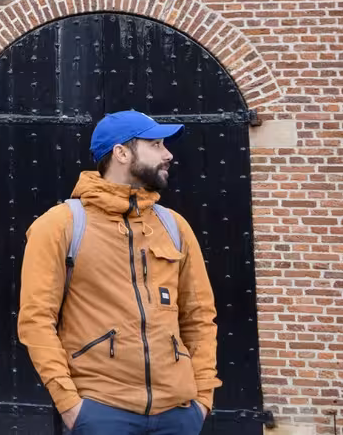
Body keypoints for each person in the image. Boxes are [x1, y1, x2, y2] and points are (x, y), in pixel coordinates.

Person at [18, 110, 220, 435]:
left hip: (179, 414)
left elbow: (199, 317)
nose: (168, 154)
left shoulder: (174, 226)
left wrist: (202, 398)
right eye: (155, 144)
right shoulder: (59, 226)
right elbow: (36, 320)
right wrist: (71, 407)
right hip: (101, 413)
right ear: (121, 153)